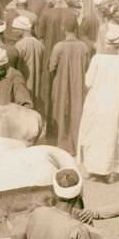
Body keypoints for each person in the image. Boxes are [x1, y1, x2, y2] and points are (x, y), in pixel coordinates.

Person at [77, 23, 119, 179]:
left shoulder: (97, 59)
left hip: (97, 102)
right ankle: (112, 170)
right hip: (116, 102)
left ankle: (92, 168)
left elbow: (88, 82)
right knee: (112, 134)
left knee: (94, 134)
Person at [48, 10, 90, 154]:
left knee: (61, 113)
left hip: (61, 86)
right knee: (77, 113)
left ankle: (63, 146)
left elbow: (51, 67)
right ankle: (76, 146)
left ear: (63, 28)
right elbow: (87, 67)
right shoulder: (84, 47)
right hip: (79, 86)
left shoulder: (58, 47)